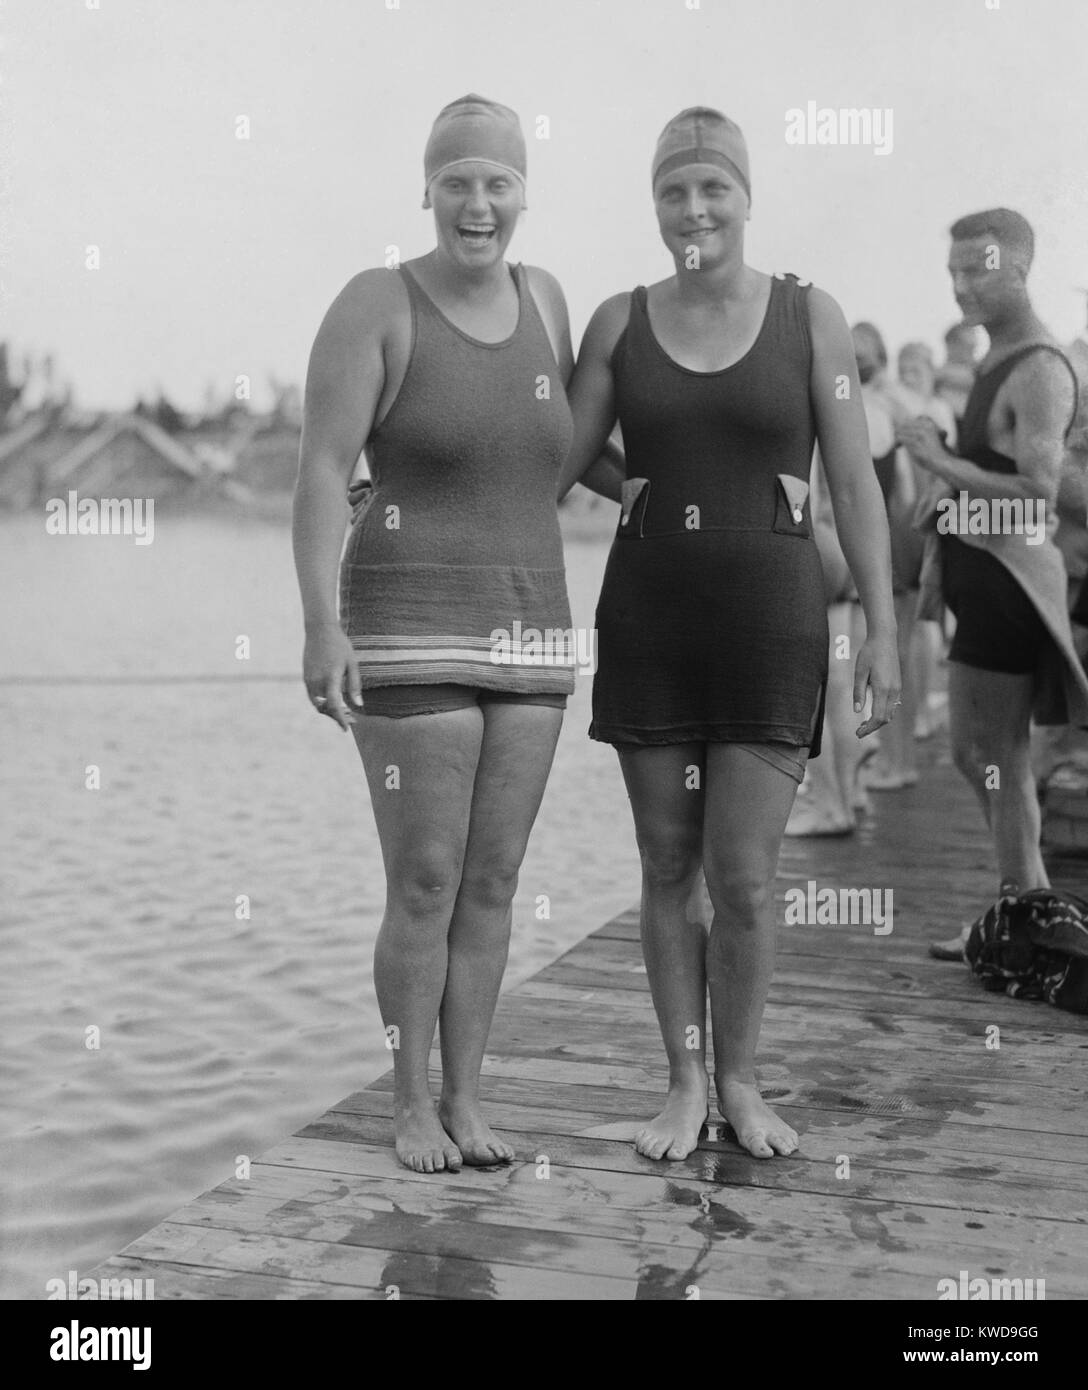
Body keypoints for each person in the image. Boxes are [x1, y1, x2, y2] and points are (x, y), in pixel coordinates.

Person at [559, 108, 900, 1160]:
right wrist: (640, 490)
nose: (693, 208)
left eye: (712, 188)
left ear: (745, 197)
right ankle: (681, 1080)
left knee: (744, 873)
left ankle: (741, 1081)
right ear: (653, 203)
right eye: (672, 191)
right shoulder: (618, 321)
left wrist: (882, 634)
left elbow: (852, 481)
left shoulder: (811, 316)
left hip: (769, 623)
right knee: (666, 864)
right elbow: (557, 454)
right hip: (650, 621)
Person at [294, 94, 600, 1173]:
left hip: (530, 632)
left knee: (493, 880)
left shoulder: (547, 300)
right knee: (424, 879)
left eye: (498, 181)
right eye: (457, 179)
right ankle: (409, 1103)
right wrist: (319, 625)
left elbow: (547, 443)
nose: (478, 202)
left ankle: (470, 1098)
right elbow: (323, 470)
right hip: (405, 624)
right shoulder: (376, 302)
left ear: (523, 193)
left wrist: (675, 483)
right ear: (426, 190)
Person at [897, 209, 1086, 960]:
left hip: (1011, 588)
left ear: (1019, 266)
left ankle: (1026, 911)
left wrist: (938, 461)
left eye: (976, 270)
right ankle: (1024, 908)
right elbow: (998, 475)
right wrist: (948, 498)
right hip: (980, 577)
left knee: (989, 753)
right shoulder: (993, 358)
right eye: (952, 274)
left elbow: (1038, 490)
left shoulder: (1039, 365)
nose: (961, 287)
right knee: (982, 754)